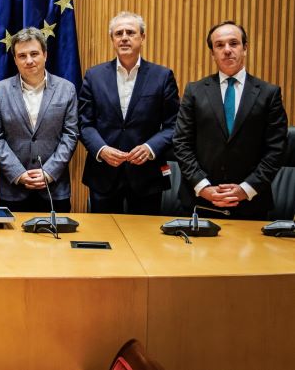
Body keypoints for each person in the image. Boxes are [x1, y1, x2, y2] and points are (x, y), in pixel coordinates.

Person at [173, 21, 288, 220]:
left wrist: (246, 188)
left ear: (245, 48)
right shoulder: (195, 91)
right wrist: (204, 187)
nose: (227, 50)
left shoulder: (269, 94)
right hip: (200, 203)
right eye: (219, 45)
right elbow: (181, 144)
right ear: (212, 53)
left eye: (233, 43)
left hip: (251, 204)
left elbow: (276, 149)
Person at [78, 11, 180, 215]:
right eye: (119, 33)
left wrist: (151, 147)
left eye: (130, 32)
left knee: (145, 241)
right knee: (103, 239)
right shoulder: (94, 75)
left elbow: (174, 124)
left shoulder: (162, 76)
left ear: (142, 37)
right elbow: (84, 123)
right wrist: (101, 149)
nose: (124, 37)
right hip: (104, 174)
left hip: (147, 175)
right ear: (112, 39)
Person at [0, 28, 78, 212]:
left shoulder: (66, 89)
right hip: (14, 189)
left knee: (56, 240)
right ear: (15, 60)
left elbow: (70, 135)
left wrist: (49, 172)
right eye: (22, 55)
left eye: (34, 53)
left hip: (54, 188)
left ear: (45, 55)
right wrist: (18, 173)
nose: (29, 60)